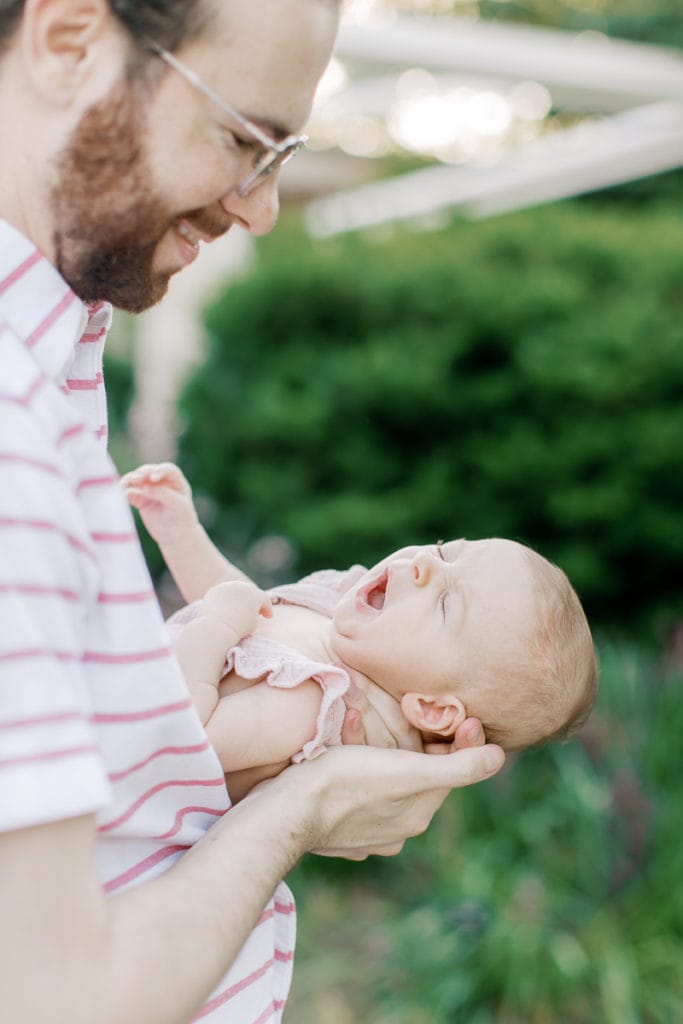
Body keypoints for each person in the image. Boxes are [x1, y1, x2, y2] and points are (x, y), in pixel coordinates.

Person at [0, 2, 505, 1022]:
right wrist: (304, 801)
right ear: (65, 43)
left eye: (281, 156)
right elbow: (57, 997)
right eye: (243, 138)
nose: (262, 208)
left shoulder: (50, 370)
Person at [122, 462, 597, 798]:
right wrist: (181, 534)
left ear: (431, 708)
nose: (425, 563)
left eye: (448, 602)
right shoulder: (331, 616)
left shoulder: (311, 706)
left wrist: (214, 626)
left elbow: (181, 742)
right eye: (446, 549)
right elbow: (251, 614)